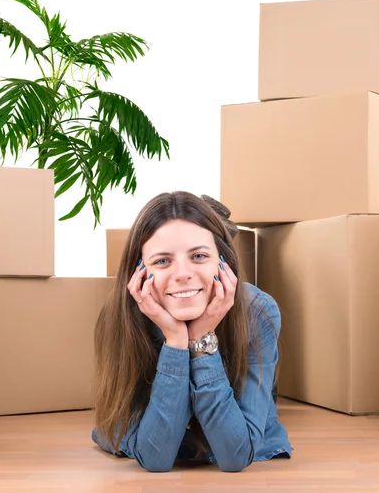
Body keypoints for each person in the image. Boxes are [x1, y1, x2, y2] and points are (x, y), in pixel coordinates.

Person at [92, 191, 292, 472]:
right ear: (138, 272)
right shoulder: (118, 316)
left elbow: (235, 455)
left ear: (225, 262)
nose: (182, 273)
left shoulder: (258, 312)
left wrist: (201, 340)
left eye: (198, 256)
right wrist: (176, 341)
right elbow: (155, 456)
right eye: (162, 261)